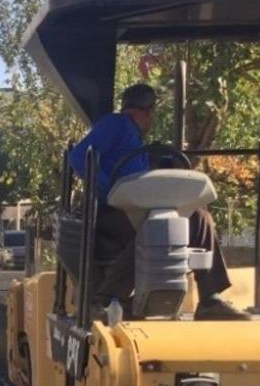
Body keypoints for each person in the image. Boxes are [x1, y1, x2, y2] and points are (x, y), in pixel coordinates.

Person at [70, 83, 249, 320]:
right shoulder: (116, 124)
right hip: (112, 211)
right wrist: (106, 186)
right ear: (147, 111)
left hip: (143, 209)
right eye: (152, 113)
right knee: (154, 228)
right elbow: (78, 156)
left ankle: (209, 299)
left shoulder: (137, 140)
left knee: (199, 217)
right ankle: (104, 299)